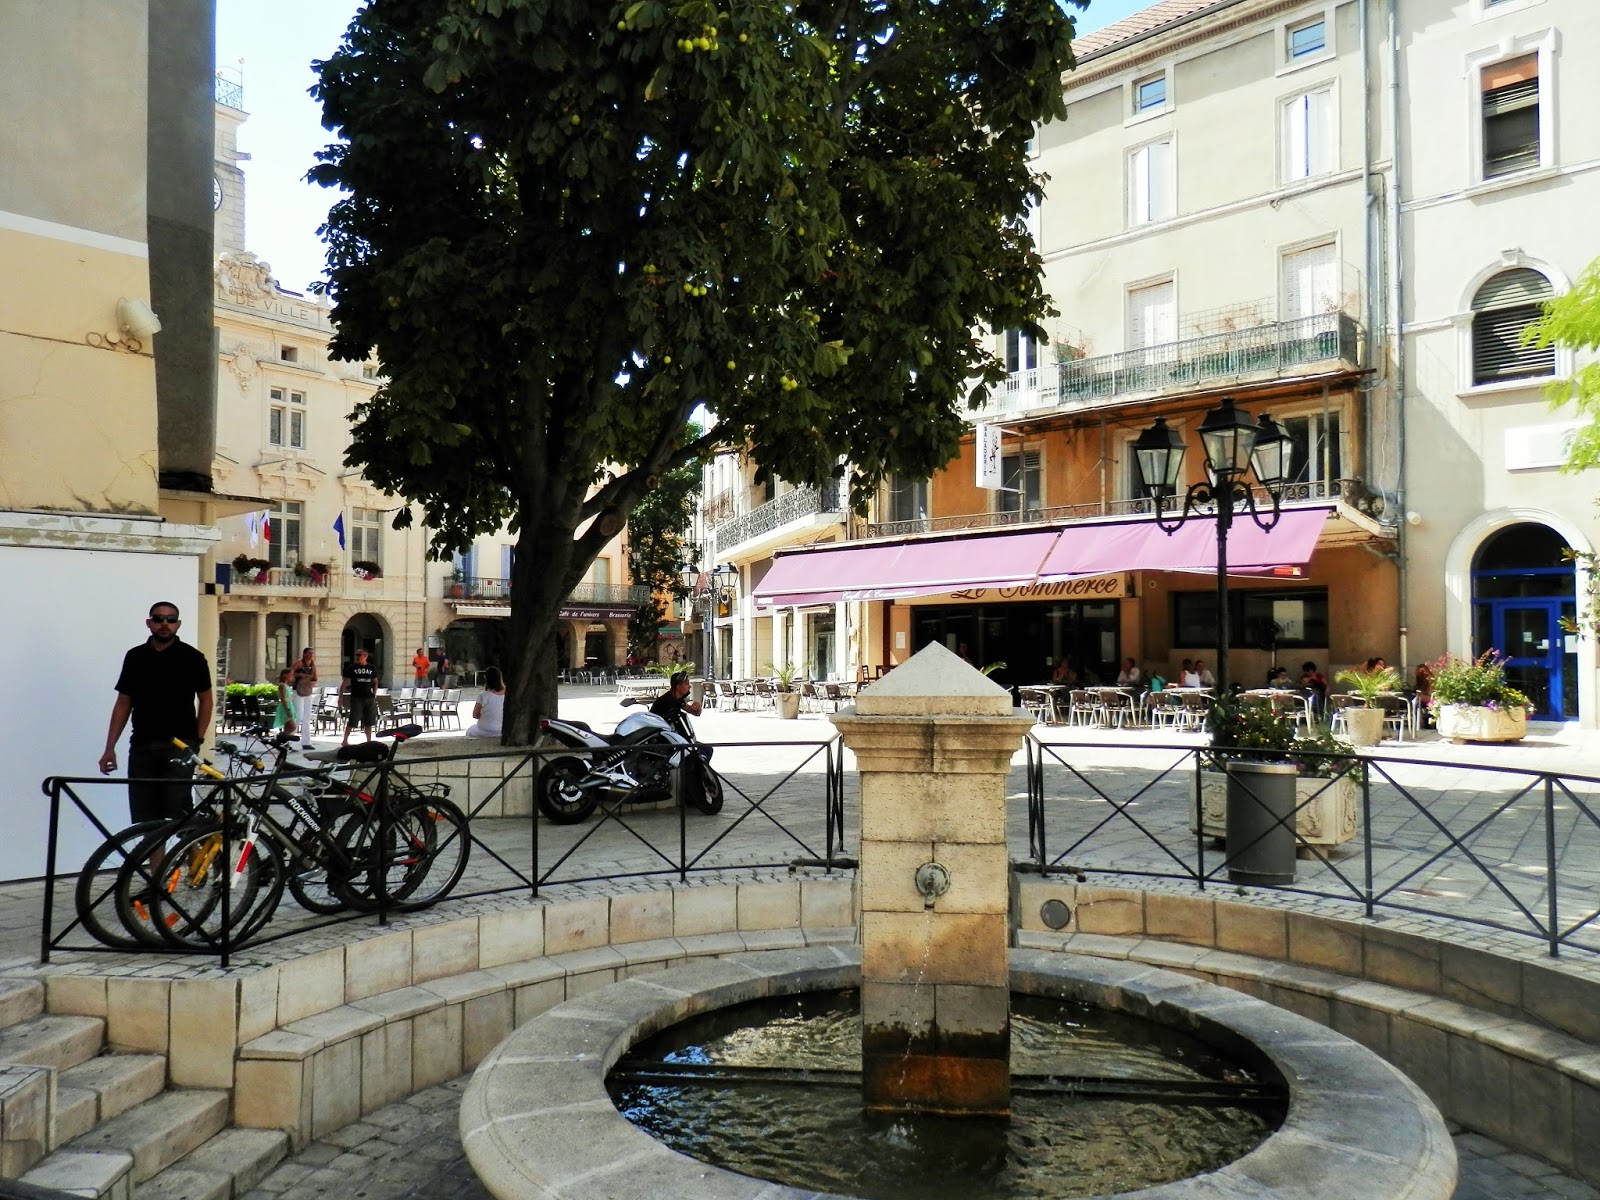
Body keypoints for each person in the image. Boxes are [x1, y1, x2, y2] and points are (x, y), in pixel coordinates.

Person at [99, 602, 214, 823]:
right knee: (147, 817)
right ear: (149, 623)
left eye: (170, 620)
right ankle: (156, 859)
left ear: (178, 624)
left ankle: (193, 856)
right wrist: (109, 748)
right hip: (142, 743)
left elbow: (206, 700)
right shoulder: (135, 656)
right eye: (159, 619)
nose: (164, 624)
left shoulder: (193, 658)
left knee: (180, 812)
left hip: (179, 745)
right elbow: (124, 702)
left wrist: (196, 740)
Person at [340, 648, 379, 746]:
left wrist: (374, 693)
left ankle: (368, 741)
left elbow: (375, 682)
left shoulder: (371, 668)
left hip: (369, 697)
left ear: (365, 656)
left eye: (359, 655)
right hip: (356, 697)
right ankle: (345, 740)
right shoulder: (352, 668)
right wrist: (340, 696)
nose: (357, 657)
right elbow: (345, 682)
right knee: (353, 719)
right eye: (356, 655)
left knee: (369, 721)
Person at [289, 647, 319, 750]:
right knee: (298, 715)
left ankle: (306, 742)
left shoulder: (312, 665)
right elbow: (290, 672)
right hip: (298, 690)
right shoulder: (299, 663)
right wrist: (299, 674)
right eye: (309, 653)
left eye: (312, 653)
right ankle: (289, 741)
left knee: (307, 717)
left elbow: (315, 678)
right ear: (304, 654)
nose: (311, 655)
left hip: (307, 690)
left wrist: (313, 682)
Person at [465, 666, 506, 739]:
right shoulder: (508, 695)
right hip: (502, 729)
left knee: (470, 730)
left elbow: (475, 715)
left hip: (485, 729)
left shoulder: (483, 696)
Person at [272, 668, 297, 738]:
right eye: (291, 674)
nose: (292, 676)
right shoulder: (282, 686)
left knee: (288, 727)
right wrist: (287, 710)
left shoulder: (287, 686)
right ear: (285, 675)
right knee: (292, 727)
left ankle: (285, 742)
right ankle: (280, 737)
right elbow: (282, 699)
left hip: (289, 705)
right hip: (285, 707)